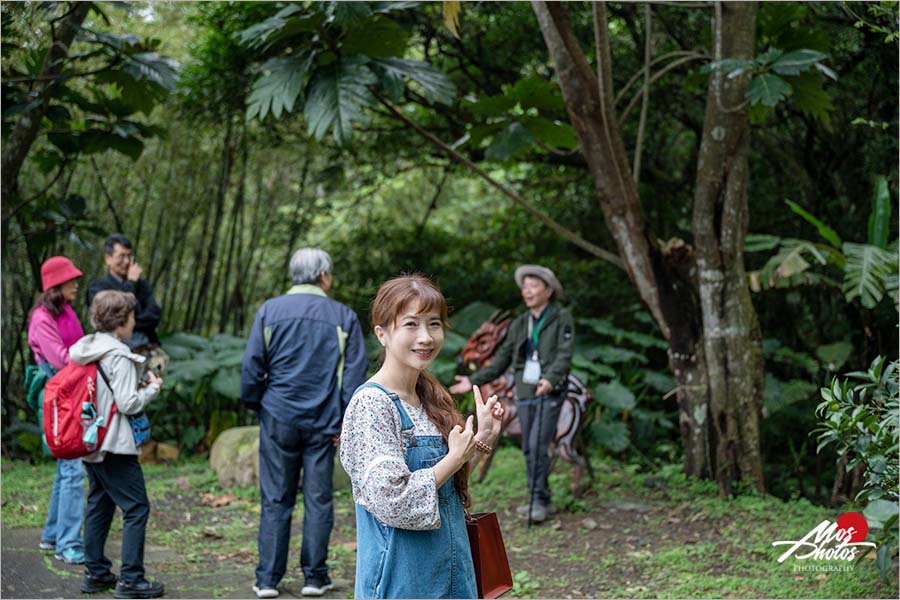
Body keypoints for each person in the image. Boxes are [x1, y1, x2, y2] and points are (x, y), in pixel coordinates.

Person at [340, 274, 504, 599]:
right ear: (382, 333)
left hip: (452, 568)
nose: (426, 337)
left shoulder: (427, 397)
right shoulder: (372, 404)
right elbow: (393, 501)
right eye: (411, 325)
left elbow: (446, 488)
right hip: (402, 580)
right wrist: (454, 457)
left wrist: (481, 439)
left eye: (434, 324)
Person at [241, 248, 367, 599]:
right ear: (324, 276)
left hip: (278, 416)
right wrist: (345, 421)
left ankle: (267, 579)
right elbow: (353, 376)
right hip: (324, 421)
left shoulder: (269, 311)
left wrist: (259, 405)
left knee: (275, 499)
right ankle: (315, 577)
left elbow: (252, 367)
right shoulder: (343, 316)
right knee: (318, 499)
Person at [449, 265, 575, 523]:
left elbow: (564, 354)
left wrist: (550, 379)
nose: (527, 290)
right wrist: (473, 380)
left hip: (550, 393)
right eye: (525, 286)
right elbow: (502, 360)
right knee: (529, 447)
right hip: (526, 392)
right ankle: (542, 497)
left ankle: (538, 501)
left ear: (548, 290)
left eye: (533, 285)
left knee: (538, 445)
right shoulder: (521, 323)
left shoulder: (561, 318)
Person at [68, 290, 165, 599]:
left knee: (100, 503)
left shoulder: (88, 348)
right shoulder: (119, 355)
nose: (135, 322)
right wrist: (152, 389)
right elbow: (128, 403)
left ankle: (96, 573)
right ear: (121, 321)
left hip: (91, 441)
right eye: (132, 316)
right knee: (137, 507)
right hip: (114, 444)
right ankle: (132, 580)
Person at [27, 256, 87, 564]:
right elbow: (63, 359)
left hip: (72, 395)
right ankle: (68, 544)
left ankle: (52, 536)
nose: (77, 283)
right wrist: (92, 350)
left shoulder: (66, 311)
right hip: (56, 399)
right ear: (56, 284)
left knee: (67, 469)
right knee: (73, 467)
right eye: (71, 279)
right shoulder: (41, 319)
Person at [87, 234, 162, 352]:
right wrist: (130, 283)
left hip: (147, 347)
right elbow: (108, 320)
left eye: (129, 256)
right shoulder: (97, 287)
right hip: (114, 350)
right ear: (108, 258)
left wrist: (128, 320)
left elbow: (154, 316)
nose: (126, 261)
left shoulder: (142, 284)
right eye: (121, 256)